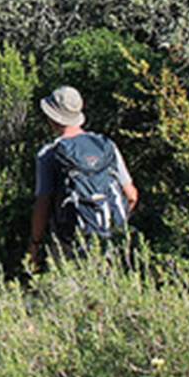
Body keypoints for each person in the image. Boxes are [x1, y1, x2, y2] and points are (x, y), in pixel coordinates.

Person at [26, 86, 139, 265]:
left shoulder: (49, 154)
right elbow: (132, 195)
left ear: (52, 118)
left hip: (70, 240)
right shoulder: (107, 146)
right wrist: (112, 223)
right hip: (109, 239)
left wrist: (35, 243)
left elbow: (43, 203)